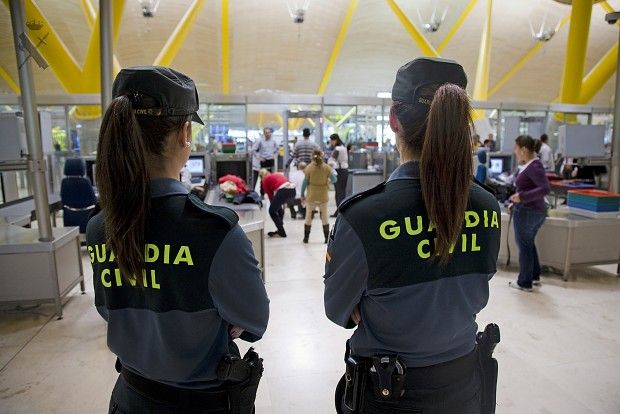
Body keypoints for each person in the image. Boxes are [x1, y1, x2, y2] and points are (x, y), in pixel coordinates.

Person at [86, 66, 269, 414]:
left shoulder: (99, 227)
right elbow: (254, 323)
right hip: (200, 402)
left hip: (129, 398)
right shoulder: (214, 231)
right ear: (185, 133)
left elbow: (108, 308)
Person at [324, 58, 501, 413]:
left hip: (388, 393)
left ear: (394, 121)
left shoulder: (363, 216)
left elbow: (338, 309)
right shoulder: (486, 205)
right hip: (463, 388)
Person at [509, 135, 551, 292]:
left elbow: (545, 188)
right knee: (529, 244)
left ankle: (524, 282)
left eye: (516, 148)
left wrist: (522, 197)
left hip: (528, 211)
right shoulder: (531, 165)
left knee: (524, 246)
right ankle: (534, 276)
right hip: (532, 210)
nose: (515, 152)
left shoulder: (534, 167)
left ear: (523, 150)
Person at [301, 150, 336, 244]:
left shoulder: (308, 168)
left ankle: (306, 238)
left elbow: (304, 183)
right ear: (322, 156)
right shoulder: (326, 167)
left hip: (311, 196)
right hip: (323, 196)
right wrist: (327, 181)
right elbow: (335, 179)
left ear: (312, 156)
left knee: (308, 217)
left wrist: (301, 195)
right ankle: (326, 239)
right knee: (324, 218)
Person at [259, 168, 296, 237]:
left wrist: (273, 204)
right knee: (278, 209)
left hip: (283, 190)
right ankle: (280, 228)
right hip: (292, 190)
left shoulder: (265, 180)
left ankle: (282, 232)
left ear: (261, 177)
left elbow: (270, 196)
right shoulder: (276, 174)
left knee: (272, 211)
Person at [328, 133, 349, 217]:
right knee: (342, 192)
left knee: (338, 192)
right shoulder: (344, 147)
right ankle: (342, 211)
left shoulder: (337, 149)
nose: (331, 142)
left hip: (339, 171)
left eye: (331, 140)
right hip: (345, 170)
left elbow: (332, 160)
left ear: (335, 140)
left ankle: (339, 212)